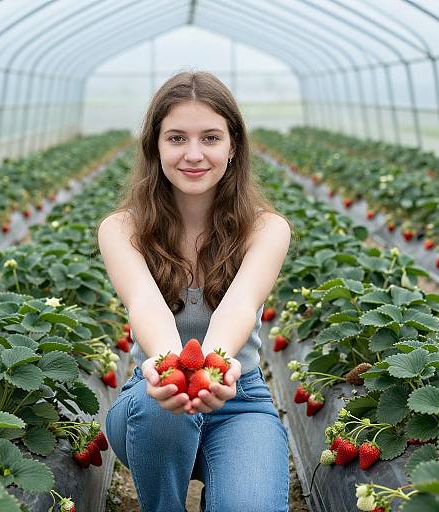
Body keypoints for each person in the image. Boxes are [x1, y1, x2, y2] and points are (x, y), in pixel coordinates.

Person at [98, 71, 292, 512]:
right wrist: (175, 378)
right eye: (176, 138)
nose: (193, 154)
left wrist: (215, 372)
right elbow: (146, 304)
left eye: (210, 138)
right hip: (150, 405)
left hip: (238, 404)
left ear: (233, 145)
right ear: (154, 146)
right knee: (157, 407)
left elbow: (239, 306)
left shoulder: (265, 229)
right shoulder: (122, 228)